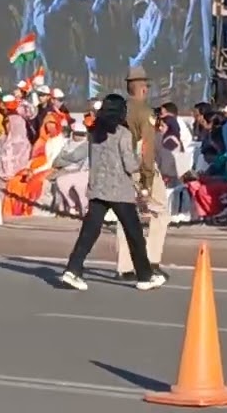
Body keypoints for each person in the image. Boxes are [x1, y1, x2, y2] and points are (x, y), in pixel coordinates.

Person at [60, 94, 166, 292]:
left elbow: (85, 155)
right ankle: (145, 276)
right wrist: (140, 160)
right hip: (120, 192)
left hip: (97, 188)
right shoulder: (123, 134)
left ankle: (72, 269)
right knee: (134, 234)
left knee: (89, 232)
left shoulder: (94, 132)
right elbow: (130, 165)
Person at [115, 66, 170, 281]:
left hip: (119, 166)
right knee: (160, 212)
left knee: (125, 214)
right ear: (143, 89)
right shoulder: (145, 113)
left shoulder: (119, 110)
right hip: (139, 166)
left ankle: (125, 266)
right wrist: (147, 180)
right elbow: (147, 148)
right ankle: (152, 260)